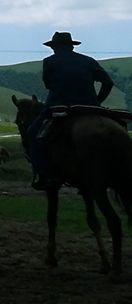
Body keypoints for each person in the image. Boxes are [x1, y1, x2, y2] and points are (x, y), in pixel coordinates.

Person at [24, 30, 115, 188]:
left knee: (32, 134)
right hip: (90, 108)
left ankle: (45, 175)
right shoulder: (89, 61)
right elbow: (108, 83)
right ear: (71, 46)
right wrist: (97, 102)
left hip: (59, 106)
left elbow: (48, 85)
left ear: (55, 47)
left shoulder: (49, 62)